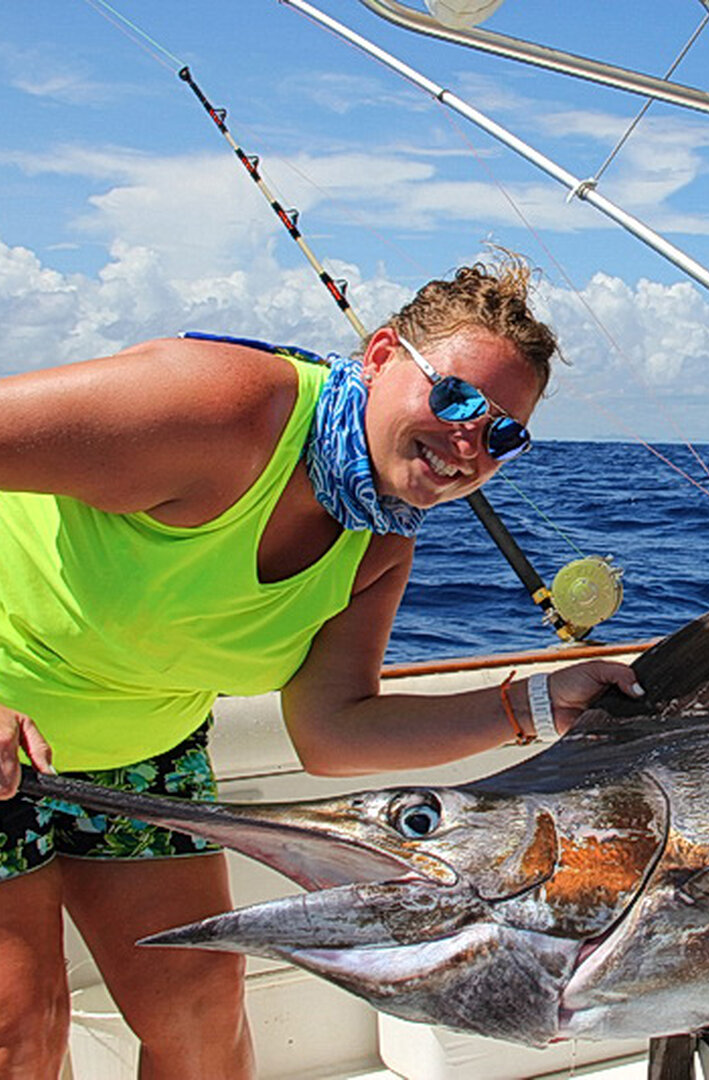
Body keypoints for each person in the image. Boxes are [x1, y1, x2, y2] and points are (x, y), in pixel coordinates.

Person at [0, 255, 642, 1079]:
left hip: (142, 751)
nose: (469, 444)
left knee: (201, 1023)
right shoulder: (219, 408)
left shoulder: (379, 541)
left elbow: (332, 731)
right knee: (22, 1030)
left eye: (502, 435)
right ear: (380, 356)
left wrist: (542, 703)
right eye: (455, 398)